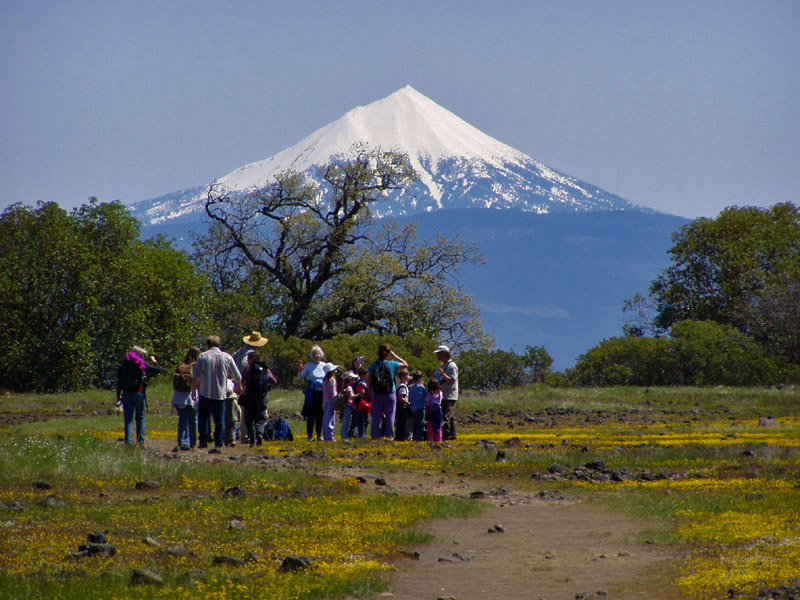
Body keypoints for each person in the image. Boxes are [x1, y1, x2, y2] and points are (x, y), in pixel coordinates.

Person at [192, 335, 241, 453]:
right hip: (220, 393)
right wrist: (239, 385)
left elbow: (197, 377)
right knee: (219, 420)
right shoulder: (227, 357)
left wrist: (193, 390)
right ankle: (219, 443)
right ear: (219, 344)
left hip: (205, 392)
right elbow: (237, 375)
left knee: (203, 418)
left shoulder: (202, 357)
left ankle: (203, 441)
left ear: (207, 344)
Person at [116, 346, 164, 445]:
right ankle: (140, 440)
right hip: (139, 393)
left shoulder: (124, 364)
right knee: (140, 417)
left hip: (126, 393)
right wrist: (155, 361)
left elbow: (119, 381)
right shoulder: (141, 363)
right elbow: (158, 370)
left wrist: (118, 395)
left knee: (128, 418)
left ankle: (128, 441)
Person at [366, 344, 408, 440]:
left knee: (376, 417)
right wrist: (395, 356)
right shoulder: (392, 364)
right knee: (390, 416)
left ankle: (375, 436)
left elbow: (369, 380)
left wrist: (370, 392)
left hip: (376, 393)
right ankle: (389, 437)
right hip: (390, 393)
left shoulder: (373, 365)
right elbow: (405, 364)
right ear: (388, 353)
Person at [240, 351, 277, 446]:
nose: (247, 361)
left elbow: (241, 380)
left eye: (248, 359)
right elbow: (274, 381)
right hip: (262, 397)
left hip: (249, 397)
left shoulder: (248, 370)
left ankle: (252, 439)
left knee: (249, 418)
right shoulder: (265, 369)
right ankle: (259, 434)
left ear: (252, 359)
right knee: (260, 418)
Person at [298, 345, 332, 441]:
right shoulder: (308, 365)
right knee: (311, 414)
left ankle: (319, 435)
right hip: (311, 393)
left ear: (320, 355)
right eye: (314, 354)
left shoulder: (324, 365)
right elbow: (302, 377)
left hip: (322, 392)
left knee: (320, 414)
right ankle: (310, 436)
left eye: (317, 354)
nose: (316, 355)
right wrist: (300, 370)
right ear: (311, 355)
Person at [171, 346, 201, 450]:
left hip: (179, 397)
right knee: (193, 419)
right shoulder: (196, 366)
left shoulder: (180, 366)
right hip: (192, 396)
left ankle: (183, 441)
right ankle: (193, 442)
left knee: (183, 419)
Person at [434, 345, 459, 441]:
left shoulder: (452, 366)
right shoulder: (442, 365)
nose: (438, 355)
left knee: (446, 416)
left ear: (444, 353)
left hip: (450, 395)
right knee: (450, 416)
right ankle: (453, 435)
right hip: (443, 394)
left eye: (439, 353)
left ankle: (447, 436)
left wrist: (443, 374)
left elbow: (452, 380)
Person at [321, 363, 341, 441]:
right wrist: (335, 403)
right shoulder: (332, 381)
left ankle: (326, 435)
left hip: (325, 402)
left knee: (325, 418)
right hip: (330, 402)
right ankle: (329, 436)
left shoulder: (325, 380)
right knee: (330, 419)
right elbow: (333, 394)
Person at [408, 370, 427, 441]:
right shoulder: (421, 388)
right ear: (420, 379)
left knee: (415, 423)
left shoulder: (411, 388)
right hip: (420, 407)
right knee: (420, 423)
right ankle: (419, 437)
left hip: (413, 408)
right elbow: (426, 396)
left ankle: (414, 437)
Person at [339, 370, 359, 440]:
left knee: (346, 420)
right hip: (348, 406)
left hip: (345, 405)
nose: (355, 379)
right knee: (346, 421)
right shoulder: (349, 387)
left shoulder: (344, 386)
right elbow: (352, 396)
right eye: (353, 378)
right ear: (350, 379)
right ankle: (344, 436)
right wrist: (359, 394)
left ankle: (343, 435)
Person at [394, 368, 411, 441]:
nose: (409, 377)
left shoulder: (402, 385)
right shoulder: (402, 386)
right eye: (408, 375)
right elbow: (401, 397)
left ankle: (400, 436)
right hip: (402, 406)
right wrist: (407, 403)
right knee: (402, 422)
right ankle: (400, 437)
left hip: (401, 406)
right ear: (403, 377)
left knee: (401, 422)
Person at [353, 367, 371, 438]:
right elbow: (361, 392)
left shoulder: (362, 382)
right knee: (363, 419)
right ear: (363, 375)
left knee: (364, 419)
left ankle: (362, 433)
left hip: (363, 403)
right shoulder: (362, 383)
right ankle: (361, 434)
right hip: (362, 403)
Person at [425, 378, 444, 442]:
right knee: (438, 427)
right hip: (438, 412)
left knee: (430, 427)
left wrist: (426, 411)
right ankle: (439, 440)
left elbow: (427, 403)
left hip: (431, 412)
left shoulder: (429, 394)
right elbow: (440, 401)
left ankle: (430, 439)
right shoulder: (440, 393)